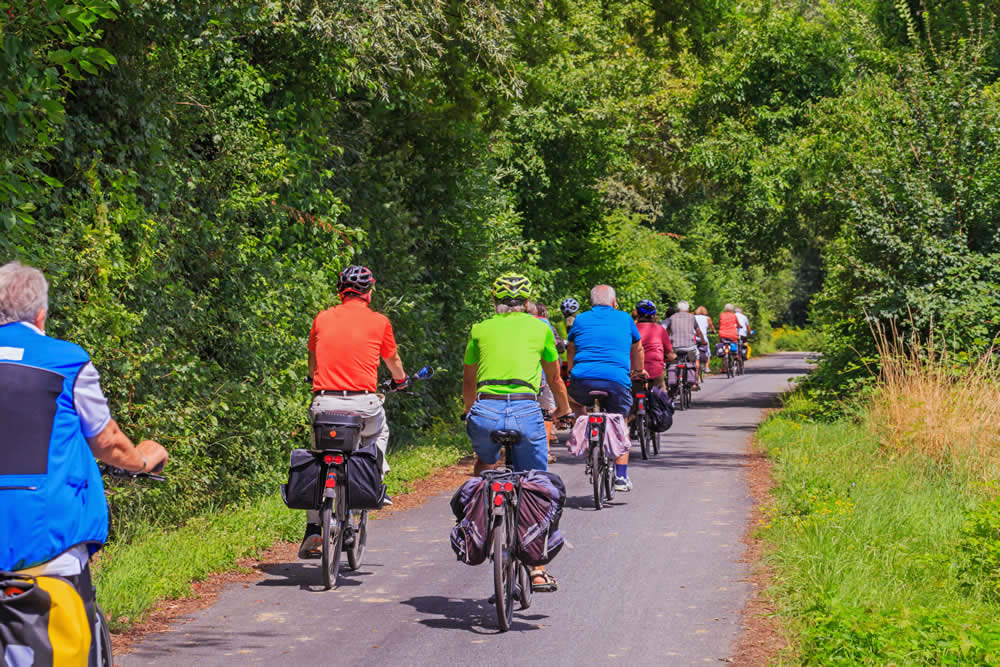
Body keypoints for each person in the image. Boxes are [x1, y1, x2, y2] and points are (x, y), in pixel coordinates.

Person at [0, 261, 169, 663]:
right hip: (44, 541)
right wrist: (144, 460)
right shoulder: (66, 361)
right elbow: (108, 442)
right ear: (40, 314)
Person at [463, 274, 570, 592]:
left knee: (484, 465)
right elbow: (554, 379)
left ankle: (475, 524)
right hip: (525, 411)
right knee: (536, 483)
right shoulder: (541, 328)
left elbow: (469, 381)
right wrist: (563, 410)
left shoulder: (480, 328)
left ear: (494, 302)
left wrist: (470, 411)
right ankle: (537, 569)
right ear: (527, 303)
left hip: (486, 411)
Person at [301, 264, 410, 558]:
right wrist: (401, 381)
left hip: (325, 403)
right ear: (369, 293)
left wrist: (316, 379)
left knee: (318, 457)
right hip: (363, 404)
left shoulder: (322, 318)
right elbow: (393, 360)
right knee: (379, 432)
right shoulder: (380, 322)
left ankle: (313, 529)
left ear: (340, 291)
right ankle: (375, 475)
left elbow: (312, 363)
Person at [565, 285, 644, 491]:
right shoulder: (625, 318)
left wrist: (572, 370)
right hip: (616, 380)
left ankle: (581, 425)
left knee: (577, 402)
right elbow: (637, 347)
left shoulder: (580, 319)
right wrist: (639, 370)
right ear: (614, 302)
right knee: (621, 420)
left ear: (591, 303)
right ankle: (621, 477)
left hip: (582, 378)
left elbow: (571, 346)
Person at [662, 301, 704, 391]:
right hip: (690, 347)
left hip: (675, 347)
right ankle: (694, 383)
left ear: (678, 309)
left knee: (673, 362)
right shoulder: (692, 317)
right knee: (695, 359)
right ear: (688, 309)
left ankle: (674, 382)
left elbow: (667, 332)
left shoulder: (672, 318)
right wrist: (703, 341)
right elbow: (698, 331)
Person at [635, 299, 673, 390]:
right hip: (655, 370)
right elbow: (669, 352)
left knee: (631, 397)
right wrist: (674, 359)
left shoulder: (632, 329)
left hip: (635, 371)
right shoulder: (660, 330)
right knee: (661, 392)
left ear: (637, 314)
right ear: (654, 315)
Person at [694, 306, 715, 372]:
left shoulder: (693, 317)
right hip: (703, 337)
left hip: (694, 337)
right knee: (707, 352)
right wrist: (714, 330)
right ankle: (707, 367)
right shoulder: (707, 318)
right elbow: (711, 326)